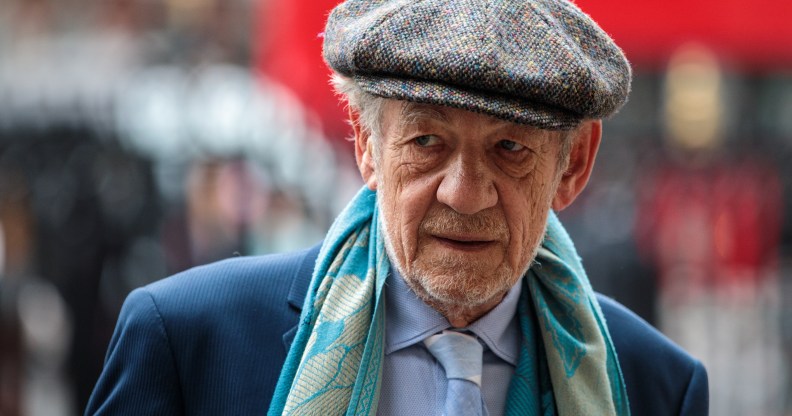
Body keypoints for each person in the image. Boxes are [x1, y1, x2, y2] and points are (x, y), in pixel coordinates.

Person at [85, 0, 709, 415]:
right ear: (365, 142)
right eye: (427, 142)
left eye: (510, 148)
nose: (463, 193)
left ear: (572, 166)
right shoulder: (189, 341)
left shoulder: (656, 386)